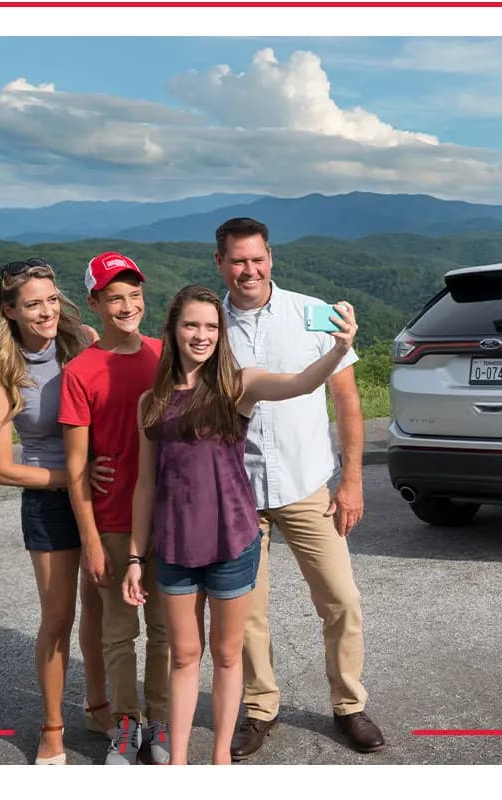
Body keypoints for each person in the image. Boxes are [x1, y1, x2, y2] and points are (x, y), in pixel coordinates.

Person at [121, 284, 357, 765]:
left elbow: (300, 384)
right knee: (186, 657)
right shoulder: (151, 401)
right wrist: (133, 556)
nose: (201, 335)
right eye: (191, 325)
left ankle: (222, 762)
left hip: (233, 541)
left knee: (228, 657)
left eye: (211, 326)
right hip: (175, 547)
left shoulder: (237, 385)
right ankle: (181, 762)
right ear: (173, 330)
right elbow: (145, 486)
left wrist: (339, 348)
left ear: (220, 332)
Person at [216, 217, 386, 757]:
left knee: (342, 599)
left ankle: (349, 705)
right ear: (220, 263)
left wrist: (352, 480)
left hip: (306, 483)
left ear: (272, 258)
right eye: (238, 260)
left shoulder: (314, 314)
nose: (250, 269)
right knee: (247, 613)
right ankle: (261, 708)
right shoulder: (205, 324)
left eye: (257, 258)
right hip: (236, 491)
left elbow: (348, 402)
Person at [0, 256, 111, 765]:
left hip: (100, 495)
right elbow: (1, 468)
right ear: (9, 311)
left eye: (52, 300)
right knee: (58, 618)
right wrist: (70, 479)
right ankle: (53, 727)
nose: (47, 311)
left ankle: (99, 705)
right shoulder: (1, 379)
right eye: (33, 304)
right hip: (50, 501)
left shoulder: (86, 344)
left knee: (98, 608)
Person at [60, 251, 170, 765]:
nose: (126, 305)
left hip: (169, 522)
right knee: (120, 633)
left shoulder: (165, 354)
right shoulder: (81, 371)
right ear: (94, 303)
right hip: (112, 523)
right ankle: (126, 725)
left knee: (168, 631)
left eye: (134, 295)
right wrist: (89, 542)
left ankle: (162, 720)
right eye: (114, 297)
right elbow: (78, 468)